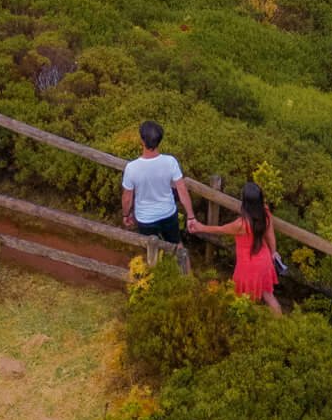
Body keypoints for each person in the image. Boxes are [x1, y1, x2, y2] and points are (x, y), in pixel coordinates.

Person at [187, 179, 281, 312]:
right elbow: (271, 235)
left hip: (248, 266)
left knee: (244, 300)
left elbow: (220, 230)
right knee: (269, 296)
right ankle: (280, 324)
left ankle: (248, 325)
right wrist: (273, 253)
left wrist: (200, 227)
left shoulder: (241, 224)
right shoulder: (265, 213)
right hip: (265, 261)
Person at [120, 120, 193, 245]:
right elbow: (182, 190)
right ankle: (181, 264)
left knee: (151, 251)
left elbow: (127, 198)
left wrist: (126, 215)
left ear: (142, 141)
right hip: (168, 213)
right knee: (177, 246)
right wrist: (191, 216)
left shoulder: (132, 168)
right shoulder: (170, 162)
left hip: (145, 218)